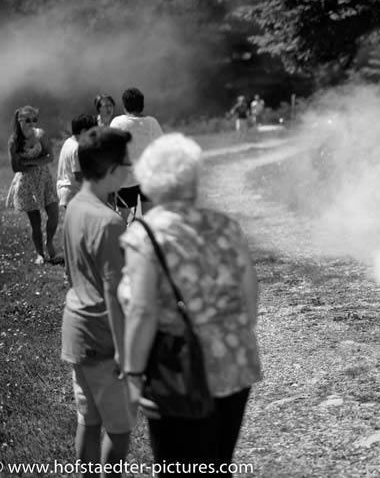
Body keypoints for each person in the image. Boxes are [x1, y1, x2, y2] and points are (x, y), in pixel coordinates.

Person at [119, 133, 261, 473]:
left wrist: (133, 374)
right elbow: (250, 296)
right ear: (195, 178)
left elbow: (141, 310)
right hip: (234, 363)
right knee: (217, 463)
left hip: (177, 369)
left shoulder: (145, 235)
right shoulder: (225, 226)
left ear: (149, 180)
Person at [61, 127, 136, 477]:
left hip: (75, 330)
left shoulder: (75, 206)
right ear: (110, 168)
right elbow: (115, 292)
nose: (130, 168)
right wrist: (124, 351)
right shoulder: (110, 223)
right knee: (119, 431)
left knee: (88, 421)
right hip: (104, 338)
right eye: (126, 163)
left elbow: (71, 271)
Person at [6, 105, 61, 265]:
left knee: (54, 214)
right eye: (28, 120)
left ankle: (49, 242)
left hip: (44, 179)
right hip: (27, 184)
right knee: (35, 222)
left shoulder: (40, 134)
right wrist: (38, 161)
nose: (32, 123)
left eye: (34, 119)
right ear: (20, 121)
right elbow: (16, 167)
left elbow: (50, 157)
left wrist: (29, 162)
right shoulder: (14, 141)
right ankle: (40, 254)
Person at [110, 87, 163, 220]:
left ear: (124, 105)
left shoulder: (118, 122)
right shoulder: (152, 122)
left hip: (126, 179)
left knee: (122, 218)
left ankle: (120, 240)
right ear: (142, 104)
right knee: (149, 218)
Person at [56, 114, 97, 209]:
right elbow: (79, 176)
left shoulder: (69, 141)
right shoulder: (77, 148)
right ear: (83, 131)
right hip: (74, 193)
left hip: (67, 192)